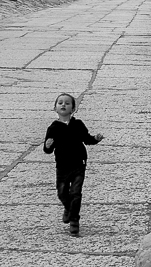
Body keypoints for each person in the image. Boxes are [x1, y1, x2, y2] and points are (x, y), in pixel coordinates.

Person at [43, 93, 104, 236]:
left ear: (73, 109)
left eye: (67, 103)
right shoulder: (53, 127)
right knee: (62, 192)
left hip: (78, 164)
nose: (63, 105)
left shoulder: (78, 124)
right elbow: (48, 150)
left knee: (76, 193)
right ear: (55, 108)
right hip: (62, 166)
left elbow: (87, 139)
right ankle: (68, 209)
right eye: (60, 103)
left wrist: (95, 138)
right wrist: (47, 145)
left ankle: (74, 221)